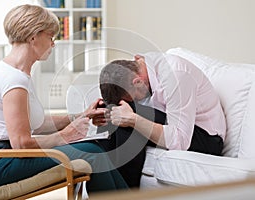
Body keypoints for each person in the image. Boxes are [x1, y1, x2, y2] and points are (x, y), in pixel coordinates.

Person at [0, 4, 128, 193]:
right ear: (34, 37)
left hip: (6, 157)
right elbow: (21, 143)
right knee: (92, 154)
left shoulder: (18, 74)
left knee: (95, 149)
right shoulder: (13, 80)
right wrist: (66, 136)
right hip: (1, 163)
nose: (53, 43)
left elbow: (37, 124)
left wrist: (80, 116)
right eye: (50, 37)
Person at [96, 52, 226, 188]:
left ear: (137, 82)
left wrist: (133, 119)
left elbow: (180, 141)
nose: (138, 99)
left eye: (135, 97)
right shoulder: (141, 68)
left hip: (206, 139)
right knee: (115, 110)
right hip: (175, 125)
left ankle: (125, 194)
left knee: (128, 117)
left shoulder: (176, 75)